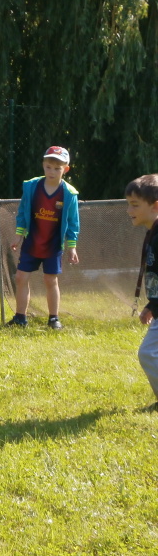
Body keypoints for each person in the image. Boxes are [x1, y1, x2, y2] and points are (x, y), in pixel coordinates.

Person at [9, 146, 80, 329]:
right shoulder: (32, 186)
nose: (52, 171)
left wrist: (72, 247)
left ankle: (54, 318)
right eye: (48, 167)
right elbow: (22, 212)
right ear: (43, 165)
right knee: (20, 277)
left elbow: (73, 222)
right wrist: (18, 235)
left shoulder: (69, 193)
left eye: (57, 168)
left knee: (50, 280)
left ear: (66, 169)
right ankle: (20, 318)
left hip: (53, 246)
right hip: (31, 243)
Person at [125, 175, 158, 410]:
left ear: (155, 205)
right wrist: (151, 305)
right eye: (129, 204)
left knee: (148, 353)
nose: (129, 211)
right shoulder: (152, 233)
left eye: (135, 205)